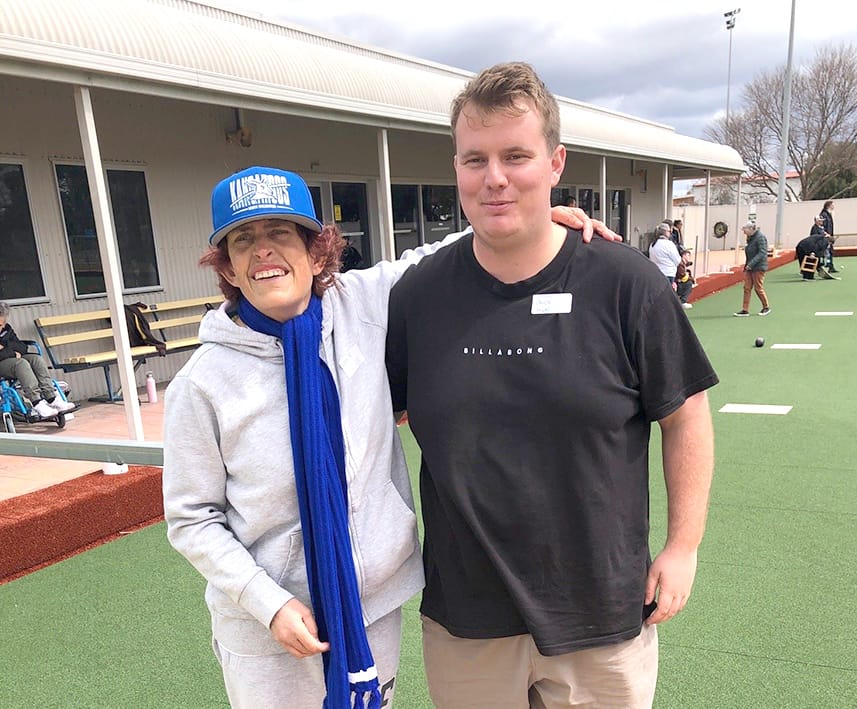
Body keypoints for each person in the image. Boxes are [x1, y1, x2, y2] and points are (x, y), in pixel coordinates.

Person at [162, 166, 617, 709]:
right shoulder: (202, 382)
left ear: (315, 252)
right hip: (268, 629)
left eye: (280, 233)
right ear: (229, 269)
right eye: (244, 240)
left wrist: (530, 223)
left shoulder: (361, 308)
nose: (263, 252)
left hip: (369, 607)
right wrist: (269, 604)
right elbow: (192, 517)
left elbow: (436, 256)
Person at [385, 61, 717, 709]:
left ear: (556, 162)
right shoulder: (417, 297)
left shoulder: (625, 285)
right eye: (475, 159)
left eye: (516, 155)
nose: (495, 177)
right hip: (467, 620)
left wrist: (683, 546)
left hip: (602, 613)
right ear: (456, 167)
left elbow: (687, 415)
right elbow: (381, 416)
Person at [0, 301, 76, 419]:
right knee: (21, 363)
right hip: (4, 364)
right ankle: (36, 402)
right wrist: (12, 352)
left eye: (2, 324)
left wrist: (6, 350)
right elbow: (14, 349)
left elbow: (22, 347)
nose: (1, 327)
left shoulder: (7, 329)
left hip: (12, 358)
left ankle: (52, 398)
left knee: (36, 359)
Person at [734, 221, 770, 316]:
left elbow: (762, 253)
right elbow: (749, 253)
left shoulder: (760, 237)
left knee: (758, 288)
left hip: (759, 267)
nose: (744, 232)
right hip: (750, 267)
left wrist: (751, 264)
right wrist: (747, 266)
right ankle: (745, 309)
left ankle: (766, 307)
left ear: (751, 229)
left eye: (745, 230)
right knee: (747, 288)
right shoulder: (750, 238)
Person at [649, 222, 682, 289]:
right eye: (669, 231)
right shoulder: (669, 244)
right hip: (668, 273)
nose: (670, 233)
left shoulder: (652, 244)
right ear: (665, 232)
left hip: (656, 273)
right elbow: (677, 260)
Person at [819, 200, 837, 272]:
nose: (834, 206)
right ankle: (826, 266)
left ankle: (830, 266)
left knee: (830, 251)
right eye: (832, 205)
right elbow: (823, 226)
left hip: (829, 236)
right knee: (826, 252)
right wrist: (826, 234)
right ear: (828, 206)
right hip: (826, 237)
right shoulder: (824, 215)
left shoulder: (828, 214)